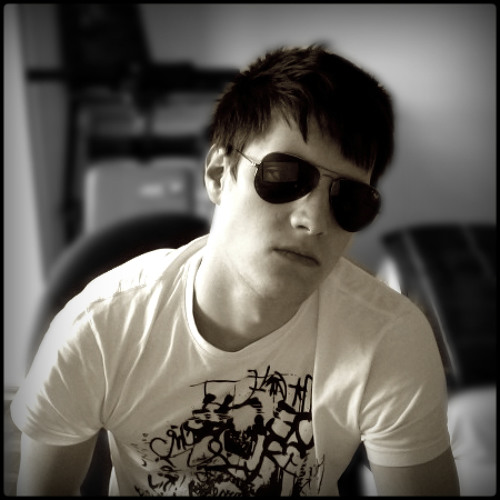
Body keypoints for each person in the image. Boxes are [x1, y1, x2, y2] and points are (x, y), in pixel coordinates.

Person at [11, 44, 460, 496]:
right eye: (285, 176)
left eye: (350, 200)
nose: (314, 221)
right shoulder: (99, 325)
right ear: (218, 174)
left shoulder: (390, 337)